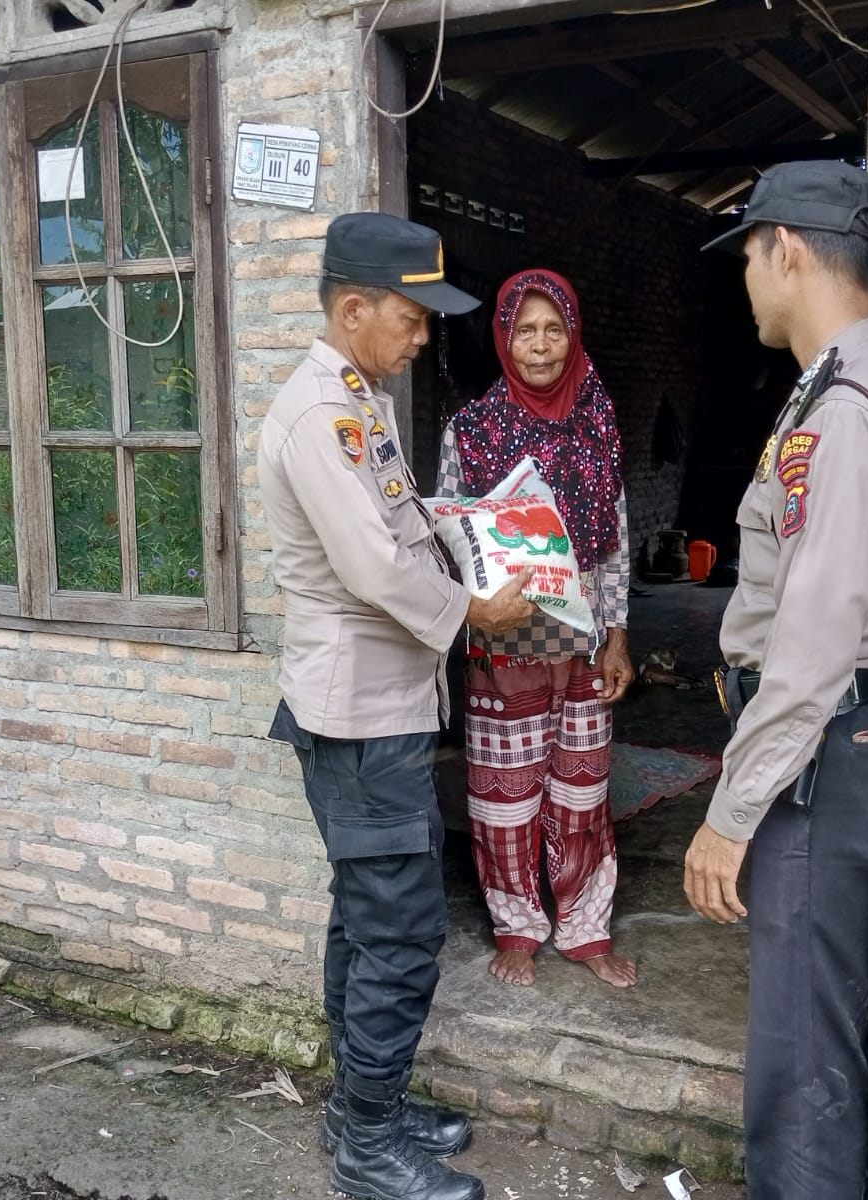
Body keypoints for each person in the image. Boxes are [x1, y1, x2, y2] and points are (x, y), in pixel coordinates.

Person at [258, 212, 538, 1200]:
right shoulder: (318, 416)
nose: (425, 337)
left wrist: (473, 536)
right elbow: (374, 565)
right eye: (414, 319)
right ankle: (368, 1143)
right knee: (400, 929)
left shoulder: (357, 402)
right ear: (353, 308)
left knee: (367, 925)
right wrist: (476, 609)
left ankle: (360, 1111)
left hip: (381, 709)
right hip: (358, 718)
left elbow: (400, 530)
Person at [684, 161, 868, 1200]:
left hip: (819, 765)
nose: (745, 279)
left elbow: (813, 640)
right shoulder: (850, 390)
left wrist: (730, 814)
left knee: (800, 1072)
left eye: (746, 254)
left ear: (784, 248)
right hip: (842, 751)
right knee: (837, 1048)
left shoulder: (840, 410)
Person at [437, 269, 638, 991]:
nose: (541, 345)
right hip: (505, 635)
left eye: (555, 329)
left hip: (580, 636)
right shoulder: (472, 428)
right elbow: (452, 537)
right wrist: (479, 594)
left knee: (582, 790)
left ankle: (586, 926)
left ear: (573, 333)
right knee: (504, 795)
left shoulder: (598, 417)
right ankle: (518, 925)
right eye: (525, 330)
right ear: (503, 335)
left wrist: (617, 633)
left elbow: (613, 538)